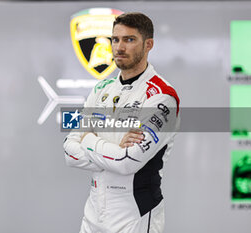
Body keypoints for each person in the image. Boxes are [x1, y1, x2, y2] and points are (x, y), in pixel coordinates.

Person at [63, 12, 180, 233]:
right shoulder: (100, 89)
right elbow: (69, 153)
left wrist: (89, 138)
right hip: (93, 213)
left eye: (129, 39)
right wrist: (115, 150)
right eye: (115, 40)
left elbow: (128, 161)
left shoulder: (162, 96)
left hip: (134, 214)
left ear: (148, 44)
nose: (119, 47)